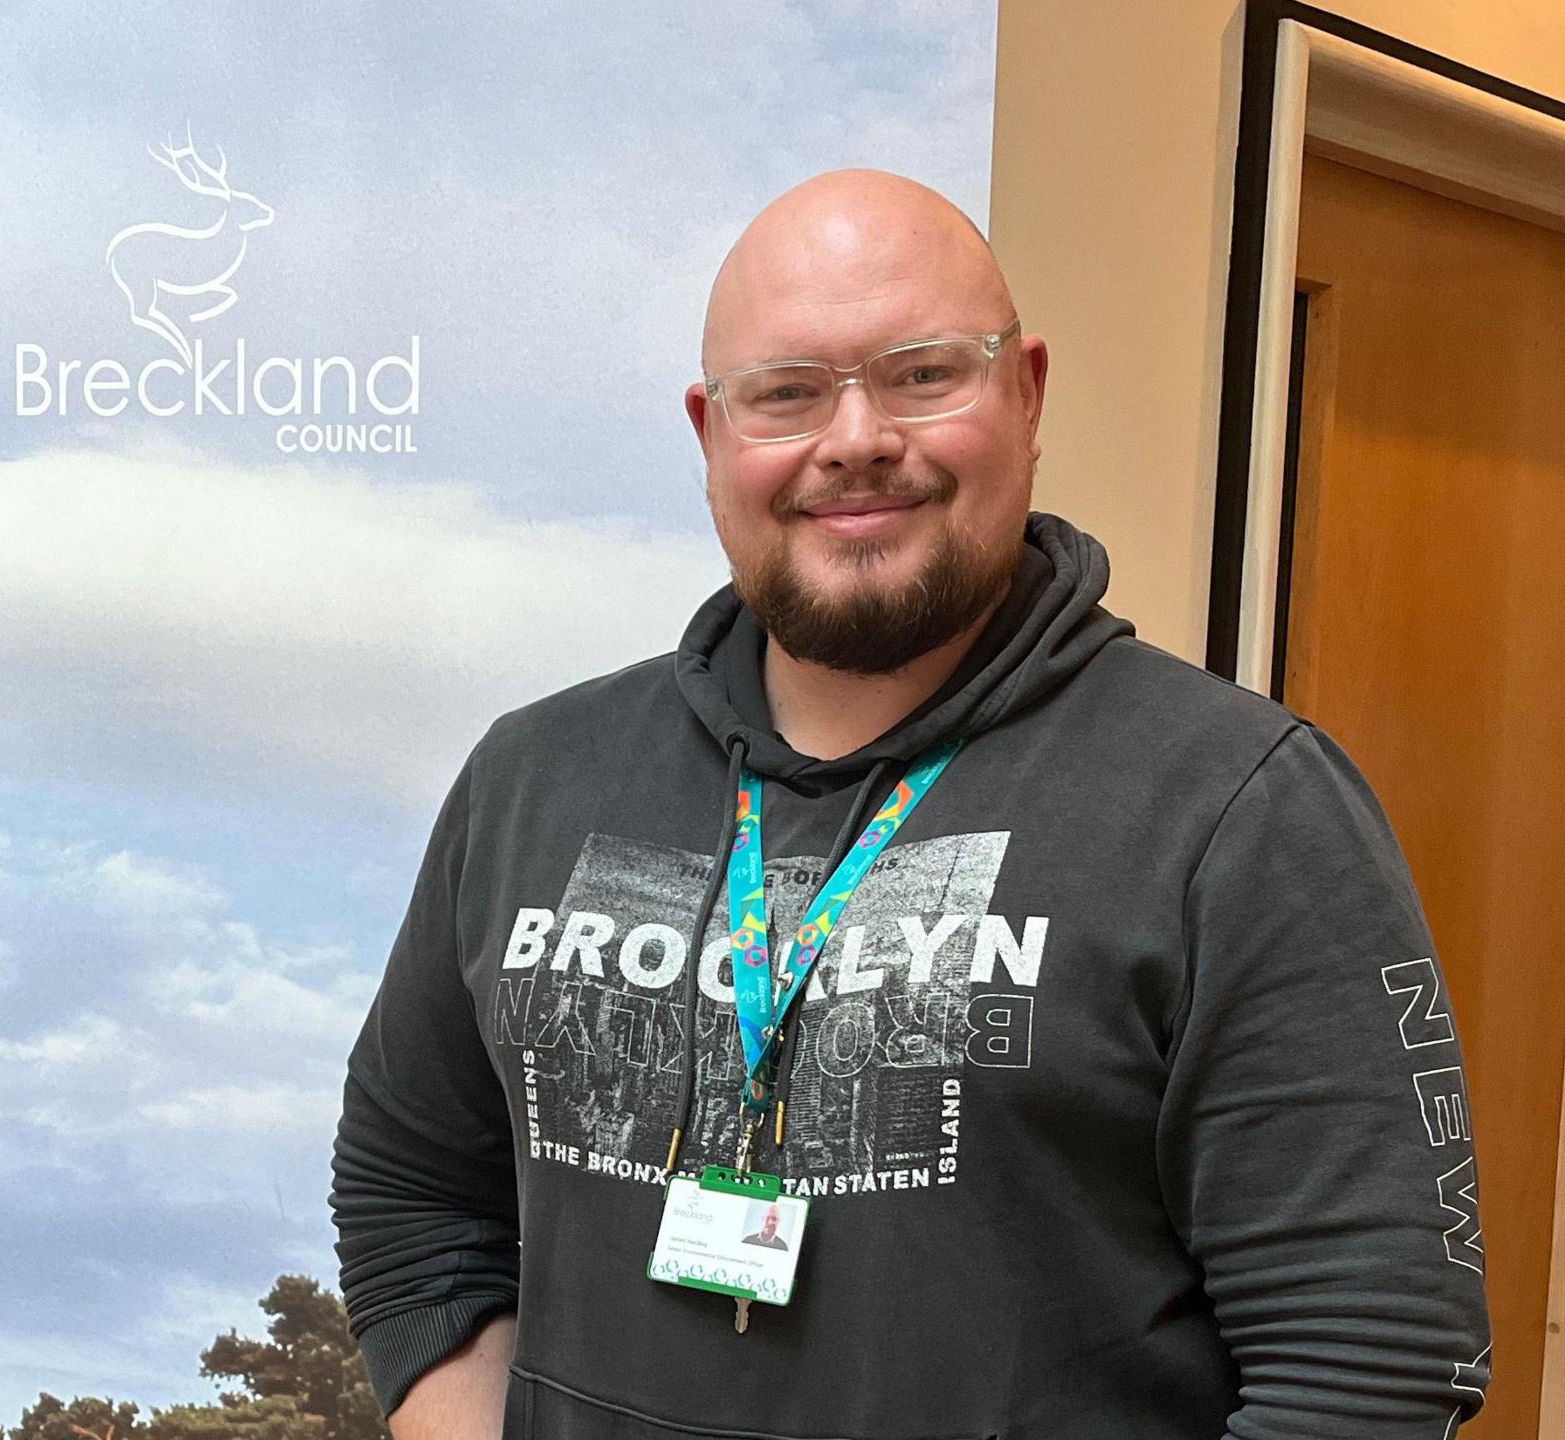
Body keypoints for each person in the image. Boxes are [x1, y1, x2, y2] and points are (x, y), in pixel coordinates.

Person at [330, 168, 1491, 1439]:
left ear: (1028, 392)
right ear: (711, 435)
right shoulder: (536, 778)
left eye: (923, 373)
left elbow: (1369, 1362)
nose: (855, 438)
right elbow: (410, 1189)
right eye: (785, 393)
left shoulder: (1239, 810)